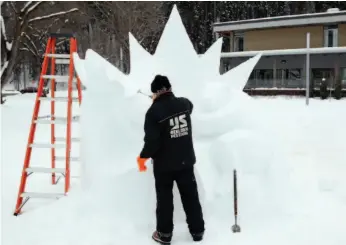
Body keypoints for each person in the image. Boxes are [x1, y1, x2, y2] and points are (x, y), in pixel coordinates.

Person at [137, 75, 205, 244]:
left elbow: (152, 141)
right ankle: (198, 231)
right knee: (191, 196)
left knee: (165, 200)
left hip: (164, 166)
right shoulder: (184, 103)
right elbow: (190, 106)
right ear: (169, 88)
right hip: (186, 161)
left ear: (155, 93)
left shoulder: (153, 113)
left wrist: (142, 157)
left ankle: (164, 234)